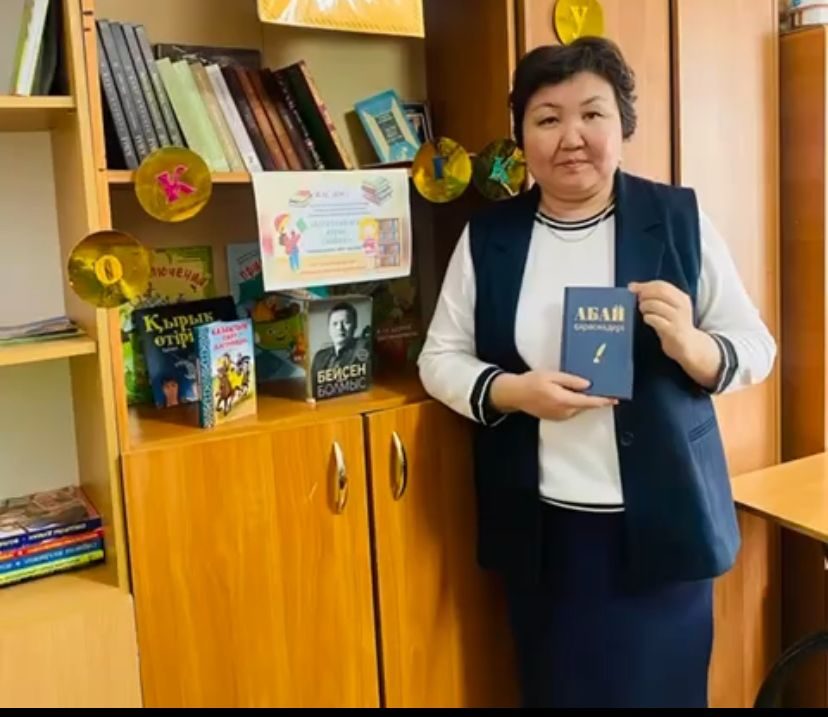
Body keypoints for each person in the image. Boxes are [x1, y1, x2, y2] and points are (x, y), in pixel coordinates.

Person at [417, 37, 776, 709]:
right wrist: (512, 392)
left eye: (592, 114)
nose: (571, 137)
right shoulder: (489, 237)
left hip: (664, 528)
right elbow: (439, 357)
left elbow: (756, 345)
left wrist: (695, 347)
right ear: (522, 135)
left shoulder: (678, 219)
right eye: (547, 118)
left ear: (623, 125)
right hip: (545, 537)